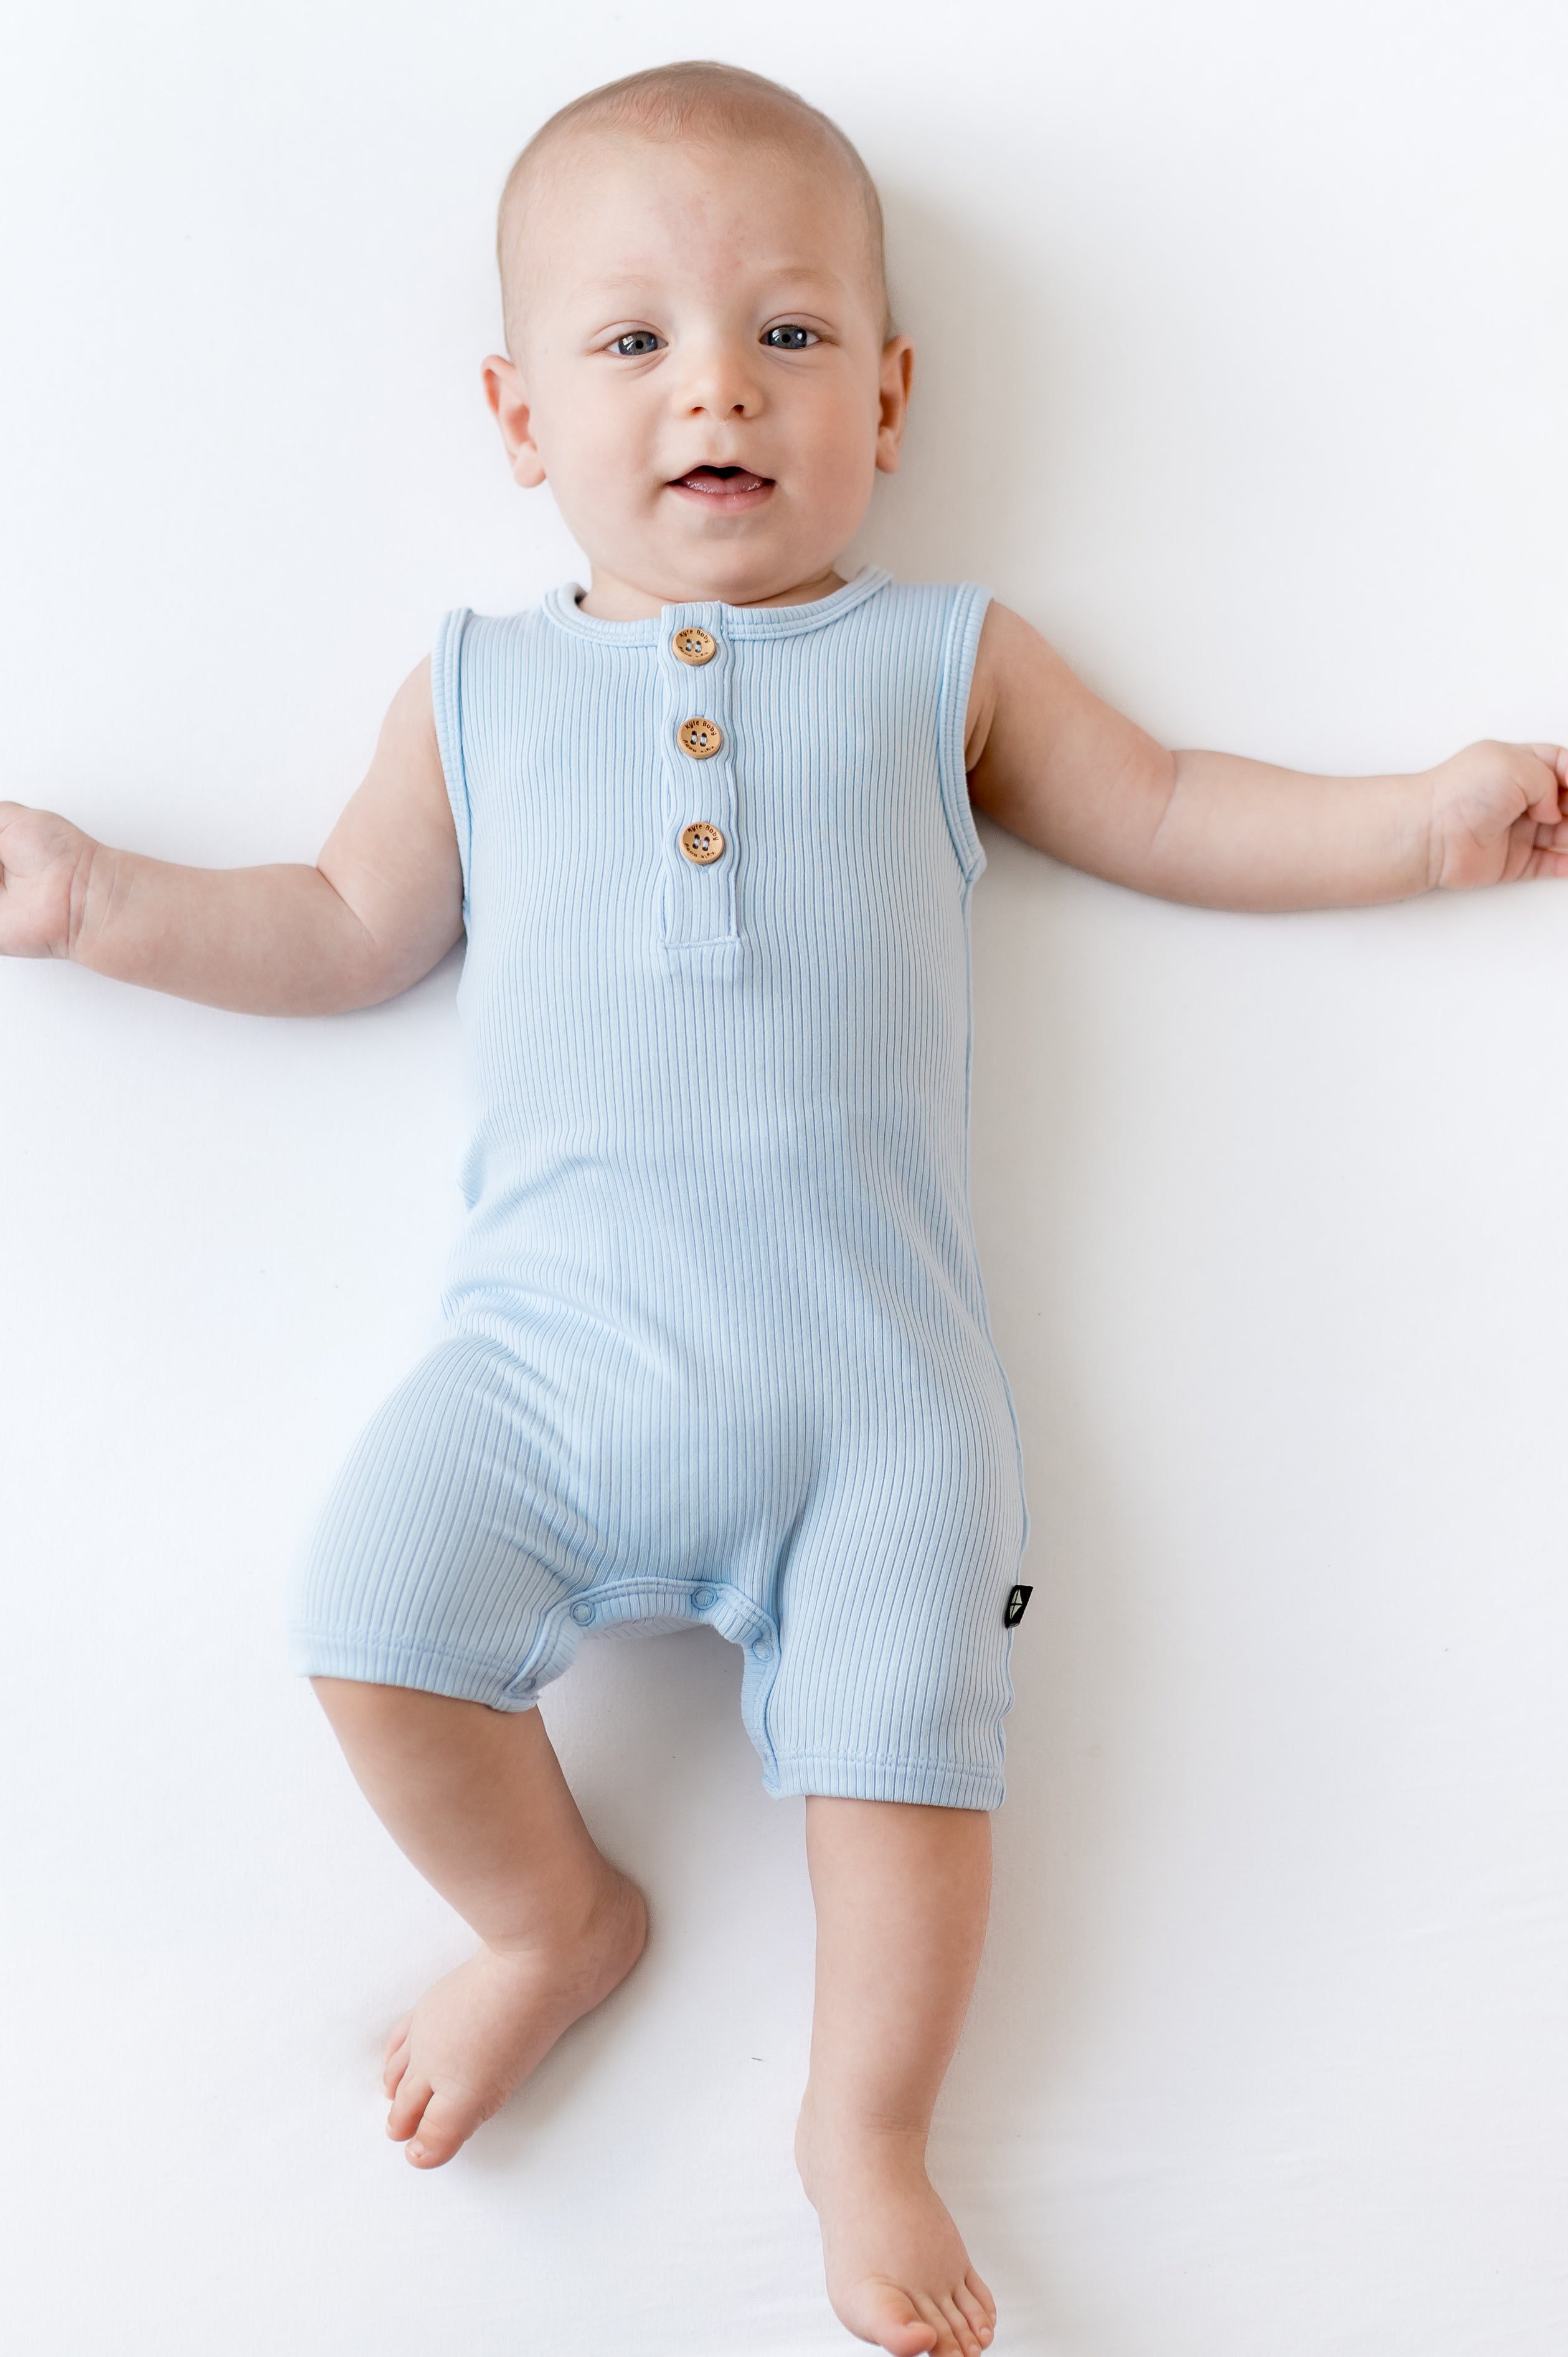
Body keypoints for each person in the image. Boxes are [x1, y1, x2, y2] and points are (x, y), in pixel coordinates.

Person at [2, 58, 1563, 2357]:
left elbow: (1167, 807)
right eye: (632, 341)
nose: (717, 386)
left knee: (908, 1773)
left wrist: (1418, 823)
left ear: (890, 399)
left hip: (876, 1396)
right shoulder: (477, 691)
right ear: (519, 415)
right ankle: (551, 1922)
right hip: (543, 1370)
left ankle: (868, 2129)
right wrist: (93, 901)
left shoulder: (946, 664)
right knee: (368, 1615)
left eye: (791, 335)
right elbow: (337, 929)